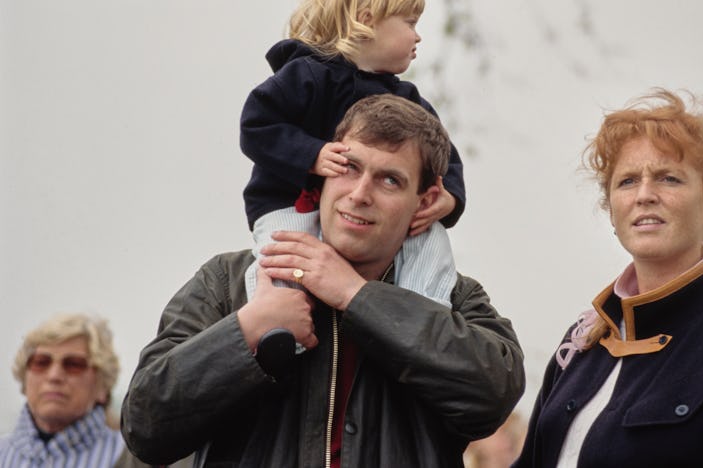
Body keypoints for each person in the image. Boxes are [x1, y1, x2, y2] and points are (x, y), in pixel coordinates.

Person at [121, 94, 525, 467]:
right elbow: (145, 425)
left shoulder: (451, 296)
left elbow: (493, 394)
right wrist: (247, 330)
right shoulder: (228, 282)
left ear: (426, 202)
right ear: (321, 174)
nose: (360, 193)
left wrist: (356, 295)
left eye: (390, 180)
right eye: (349, 167)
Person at [514, 88, 703, 467]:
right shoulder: (582, 346)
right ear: (611, 209)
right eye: (627, 181)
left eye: (669, 179)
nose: (644, 195)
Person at [240, 0, 465, 313]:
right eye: (410, 22)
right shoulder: (306, 75)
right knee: (284, 254)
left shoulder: (405, 99)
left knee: (430, 239)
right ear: (366, 21)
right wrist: (311, 155)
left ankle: (423, 315)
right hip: (289, 201)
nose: (418, 35)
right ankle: (276, 323)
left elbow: (443, 155)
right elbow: (257, 126)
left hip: (373, 224)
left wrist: (449, 196)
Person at [0, 313, 132, 467]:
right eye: (41, 362)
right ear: (24, 378)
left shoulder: (135, 459)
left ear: (102, 386)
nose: (54, 376)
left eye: (74, 365)